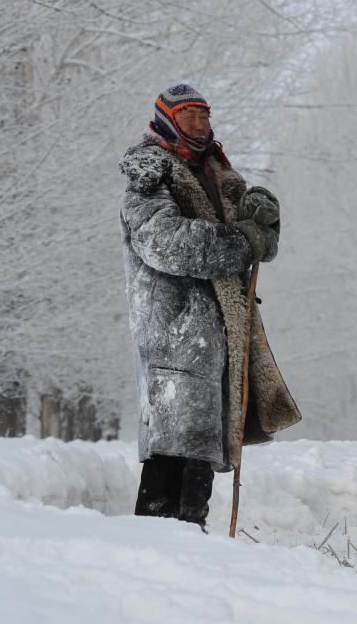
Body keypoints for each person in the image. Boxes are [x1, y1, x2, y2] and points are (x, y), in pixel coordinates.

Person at [118, 83, 301, 527]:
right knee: (172, 443)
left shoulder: (216, 171)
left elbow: (248, 239)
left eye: (204, 115)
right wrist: (241, 241)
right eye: (188, 116)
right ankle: (153, 540)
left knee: (202, 444)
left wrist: (258, 223)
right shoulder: (149, 175)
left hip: (220, 328)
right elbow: (164, 242)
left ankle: (191, 536)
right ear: (166, 120)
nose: (200, 124)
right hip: (173, 326)